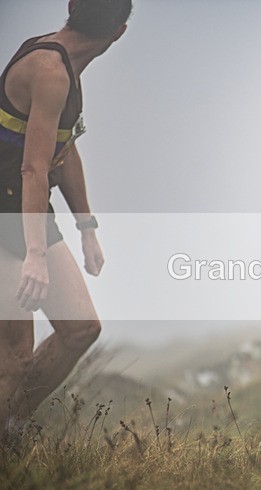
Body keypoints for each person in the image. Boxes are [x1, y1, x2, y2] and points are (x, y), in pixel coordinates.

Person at [0, 0, 131, 436]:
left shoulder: (67, 65)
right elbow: (34, 167)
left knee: (80, 329)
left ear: (71, 8)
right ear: (120, 32)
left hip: (26, 206)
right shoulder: (50, 69)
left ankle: (12, 426)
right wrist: (35, 255)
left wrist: (87, 227)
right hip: (7, 213)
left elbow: (63, 147)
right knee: (14, 357)